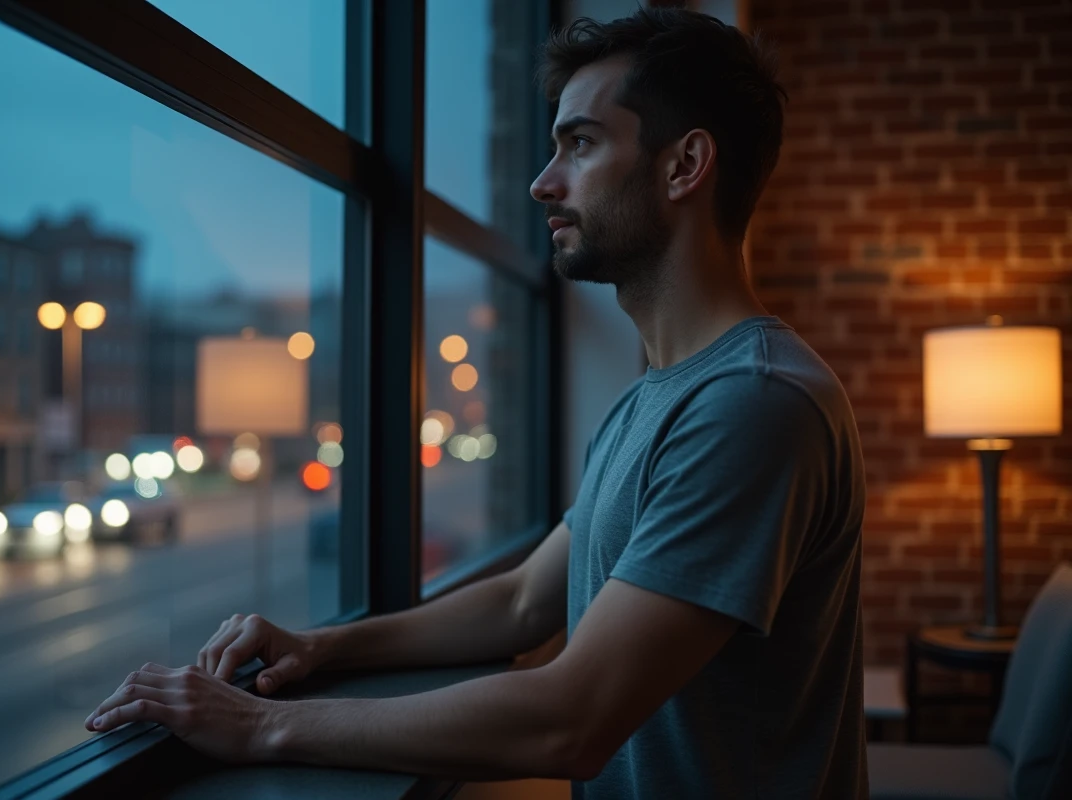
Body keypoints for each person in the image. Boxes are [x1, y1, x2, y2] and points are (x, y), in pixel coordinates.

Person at [86, 8, 868, 798]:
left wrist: (258, 725)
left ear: (684, 165)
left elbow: (573, 718)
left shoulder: (750, 405)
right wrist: (323, 648)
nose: (542, 181)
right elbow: (526, 600)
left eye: (582, 143)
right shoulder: (656, 397)